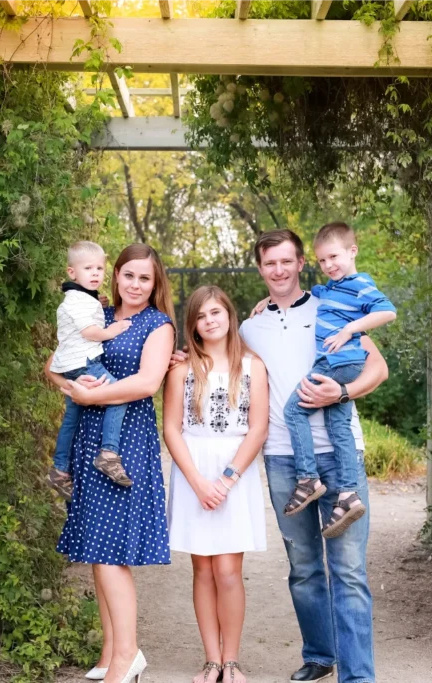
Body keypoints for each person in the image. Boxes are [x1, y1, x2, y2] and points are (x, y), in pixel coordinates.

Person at [178, 229, 386, 683]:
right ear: (260, 268)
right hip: (282, 459)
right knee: (304, 566)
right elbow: (216, 357)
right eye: (270, 263)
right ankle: (319, 654)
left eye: (287, 261)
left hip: (339, 453)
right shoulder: (250, 328)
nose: (279, 270)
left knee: (348, 570)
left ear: (299, 264)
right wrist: (180, 359)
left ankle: (358, 675)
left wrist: (344, 389)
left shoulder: (331, 308)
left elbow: (378, 367)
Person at [46, 243, 176, 683]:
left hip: (125, 445)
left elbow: (146, 383)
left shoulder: (157, 324)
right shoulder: (95, 314)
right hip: (89, 440)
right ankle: (109, 652)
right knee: (95, 549)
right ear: (115, 276)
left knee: (108, 552)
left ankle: (128, 656)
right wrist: (70, 385)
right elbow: (52, 365)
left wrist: (90, 395)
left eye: (145, 278)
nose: (136, 284)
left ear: (155, 284)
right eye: (129, 275)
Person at [163, 286, 269, 683]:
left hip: (234, 471)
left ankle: (232, 660)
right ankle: (211, 660)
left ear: (229, 315)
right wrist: (197, 483)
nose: (209, 321)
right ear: (192, 325)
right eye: (200, 316)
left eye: (215, 313)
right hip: (193, 470)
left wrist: (226, 480)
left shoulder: (253, 366)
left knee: (228, 571)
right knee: (203, 570)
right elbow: (171, 429)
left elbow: (258, 429)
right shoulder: (182, 368)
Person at [281, 222, 396, 539]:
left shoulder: (360, 284)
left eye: (334, 257)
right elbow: (302, 296)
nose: (329, 265)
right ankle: (348, 494)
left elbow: (388, 312)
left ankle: (308, 478)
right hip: (340, 364)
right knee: (338, 427)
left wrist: (350, 329)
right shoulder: (330, 289)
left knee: (293, 411)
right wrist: (266, 302)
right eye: (322, 261)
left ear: (352, 251)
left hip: (338, 362)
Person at [48, 241, 135, 500]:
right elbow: (89, 331)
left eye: (100, 268)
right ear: (72, 273)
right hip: (85, 363)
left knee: (71, 420)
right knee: (118, 395)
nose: (96, 273)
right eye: (88, 268)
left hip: (72, 365)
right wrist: (112, 330)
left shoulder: (82, 298)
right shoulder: (76, 301)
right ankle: (108, 453)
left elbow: (86, 315)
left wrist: (98, 301)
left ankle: (60, 470)